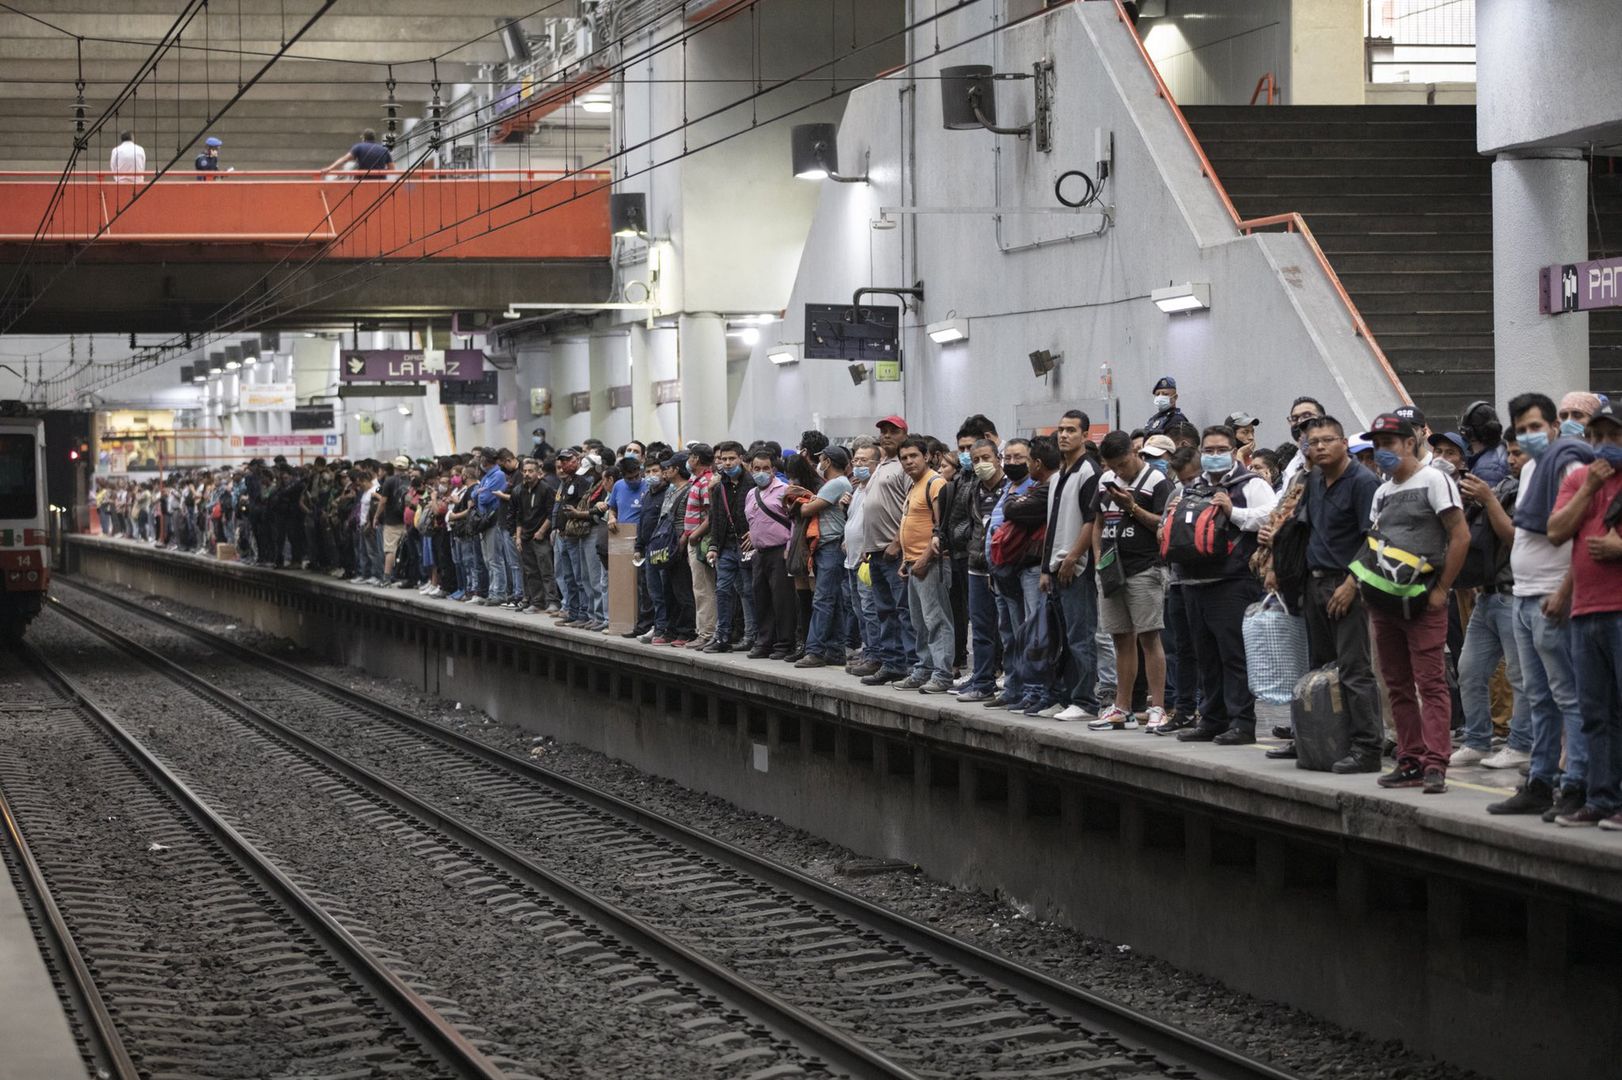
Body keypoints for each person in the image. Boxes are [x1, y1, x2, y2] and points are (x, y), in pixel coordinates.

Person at [1489, 393, 1594, 819]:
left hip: (1552, 596)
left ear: (1553, 426)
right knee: (1537, 696)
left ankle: (1577, 784)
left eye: (1536, 427)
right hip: (1523, 593)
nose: (1530, 436)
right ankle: (1540, 780)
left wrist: (1565, 591)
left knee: (1568, 696)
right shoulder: (1532, 468)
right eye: (1521, 430)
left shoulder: (1569, 464)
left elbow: (1581, 536)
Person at [1359, 413, 1470, 793]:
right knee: (1397, 684)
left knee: (1431, 682)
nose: (1382, 451)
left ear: (1410, 443)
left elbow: (1460, 536)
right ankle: (1410, 760)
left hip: (1425, 600)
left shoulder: (1435, 480)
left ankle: (1436, 762)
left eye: (1389, 443)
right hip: (1385, 602)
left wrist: (1442, 590)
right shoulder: (1381, 491)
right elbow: (1374, 543)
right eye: (1377, 445)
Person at [1271, 415, 1384, 770]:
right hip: (1314, 582)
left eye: (1326, 440)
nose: (1318, 447)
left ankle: (1367, 748)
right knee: (1319, 669)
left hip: (1346, 583)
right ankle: (1321, 739)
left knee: (1353, 669)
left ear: (1343, 443)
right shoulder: (1315, 479)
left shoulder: (1363, 482)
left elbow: (1375, 538)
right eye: (1312, 442)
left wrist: (1353, 584)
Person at [1173, 425, 1277, 744]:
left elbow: (1271, 516)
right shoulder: (1192, 486)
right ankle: (1213, 718)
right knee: (1205, 654)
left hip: (1233, 581)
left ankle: (1242, 723)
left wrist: (1234, 512)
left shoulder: (1251, 483)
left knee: (1234, 655)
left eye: (1221, 450)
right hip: (1194, 579)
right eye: (1209, 450)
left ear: (1234, 452)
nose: (1214, 456)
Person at [1546, 403, 1622, 828]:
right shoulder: (1579, 478)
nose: (1603, 446)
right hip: (1586, 611)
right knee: (1595, 713)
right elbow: (1556, 531)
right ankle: (1601, 798)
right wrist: (1590, 489)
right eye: (1597, 439)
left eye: (1613, 437)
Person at [1451, 433, 1530, 768]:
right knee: (1469, 670)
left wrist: (1489, 500)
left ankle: (1522, 744)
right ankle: (1478, 740)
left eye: (1518, 453)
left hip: (1514, 594)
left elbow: (1515, 538)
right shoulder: (1507, 487)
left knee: (1520, 677)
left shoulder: (1534, 490)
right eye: (1509, 453)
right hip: (1487, 595)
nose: (1511, 460)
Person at [1090, 430, 1171, 730]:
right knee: (1121, 638)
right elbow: (1097, 522)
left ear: (1135, 452)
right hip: (1112, 570)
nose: (1119, 471)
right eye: (1113, 466)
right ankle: (1121, 707)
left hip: (1144, 568)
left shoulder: (1156, 482)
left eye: (1123, 464)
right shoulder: (1104, 481)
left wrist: (1132, 508)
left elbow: (1164, 524)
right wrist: (1098, 558)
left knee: (1149, 636)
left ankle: (1158, 707)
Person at [1041, 410, 1102, 720]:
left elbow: (1092, 520)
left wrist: (1074, 557)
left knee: (1081, 635)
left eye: (1071, 430)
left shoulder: (1089, 472)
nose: (1063, 435)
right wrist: (1044, 568)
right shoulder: (1058, 476)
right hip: (1055, 566)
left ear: (1085, 435)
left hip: (1076, 568)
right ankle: (1065, 696)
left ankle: (1086, 700)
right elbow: (1053, 525)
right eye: (1061, 430)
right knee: (1060, 638)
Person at [890, 436, 953, 693]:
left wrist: (926, 559)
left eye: (913, 456)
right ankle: (924, 667)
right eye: (904, 458)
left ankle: (942, 673)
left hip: (932, 564)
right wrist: (907, 560)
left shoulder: (935, 483)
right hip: (914, 563)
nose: (908, 462)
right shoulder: (913, 486)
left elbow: (941, 529)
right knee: (919, 621)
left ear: (926, 456)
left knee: (936, 619)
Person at [860, 416, 918, 685]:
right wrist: (865, 545)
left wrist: (897, 542)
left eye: (892, 431)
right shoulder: (883, 464)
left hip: (895, 551)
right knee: (884, 610)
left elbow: (911, 508)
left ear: (904, 433)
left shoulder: (906, 467)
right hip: (875, 551)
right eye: (883, 431)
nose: (886, 436)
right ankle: (892, 662)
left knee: (903, 610)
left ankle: (911, 663)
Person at [955, 438, 1005, 701]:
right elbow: (968, 522)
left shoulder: (1011, 488)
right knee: (982, 628)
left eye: (986, 458)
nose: (981, 464)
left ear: (998, 457)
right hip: (977, 564)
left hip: (1004, 566)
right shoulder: (973, 489)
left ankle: (1011, 679)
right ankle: (982, 681)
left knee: (1009, 627)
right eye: (976, 460)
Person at [797, 446, 853, 668]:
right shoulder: (836, 484)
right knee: (834, 600)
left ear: (827, 461)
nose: (819, 463)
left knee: (822, 599)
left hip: (831, 546)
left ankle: (815, 650)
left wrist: (800, 500)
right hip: (827, 547)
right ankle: (836, 649)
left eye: (821, 459)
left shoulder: (836, 484)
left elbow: (806, 510)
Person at [742, 448, 797, 659]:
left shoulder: (785, 490)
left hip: (780, 551)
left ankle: (785, 643)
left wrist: (789, 548)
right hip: (760, 552)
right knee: (761, 597)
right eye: (757, 468)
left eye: (766, 468)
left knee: (782, 599)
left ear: (773, 469)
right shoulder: (751, 494)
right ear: (751, 469)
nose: (761, 472)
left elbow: (794, 521)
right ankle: (764, 642)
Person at [703, 441, 752, 654]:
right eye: (724, 459)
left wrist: (755, 534)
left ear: (741, 458)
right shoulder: (719, 486)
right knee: (723, 590)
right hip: (726, 546)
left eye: (732, 458)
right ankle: (721, 635)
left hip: (746, 545)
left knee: (747, 591)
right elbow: (716, 518)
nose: (728, 463)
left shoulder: (751, 484)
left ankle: (751, 635)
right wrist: (713, 545)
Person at [680, 443, 719, 650]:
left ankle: (707, 632)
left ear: (696, 459)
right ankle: (703, 630)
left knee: (704, 589)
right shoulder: (695, 480)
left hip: (700, 542)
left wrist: (694, 535)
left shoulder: (705, 482)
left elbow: (710, 514)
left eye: (690, 456)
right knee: (699, 588)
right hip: (694, 541)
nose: (688, 460)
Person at [515, 457, 555, 615]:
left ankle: (552, 601)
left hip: (540, 536)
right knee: (531, 571)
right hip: (525, 536)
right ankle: (537, 602)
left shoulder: (545, 489)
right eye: (524, 471)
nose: (527, 474)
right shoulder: (520, 490)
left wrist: (542, 531)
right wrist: (518, 536)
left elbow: (551, 513)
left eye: (530, 471)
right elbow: (519, 515)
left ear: (539, 473)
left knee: (546, 569)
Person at [323, 128, 394, 175]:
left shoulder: (359, 147)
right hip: (380, 184)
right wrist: (379, 173)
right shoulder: (384, 150)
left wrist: (329, 169)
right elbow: (392, 169)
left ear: (364, 138)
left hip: (362, 183)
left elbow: (344, 159)